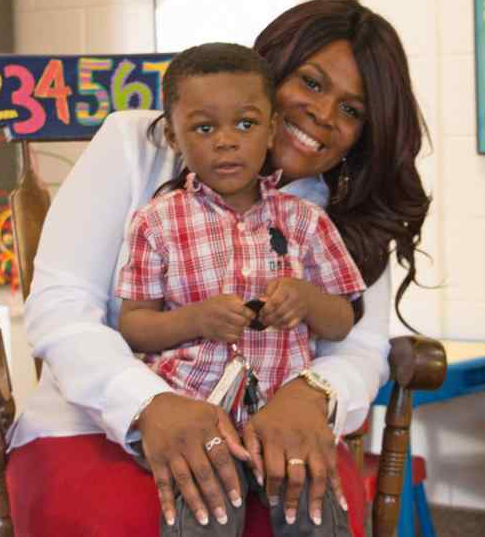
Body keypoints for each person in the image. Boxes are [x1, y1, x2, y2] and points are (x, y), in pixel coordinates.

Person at [6, 0, 431, 537]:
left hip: (275, 438)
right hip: (97, 423)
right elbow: (61, 308)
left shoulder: (339, 214)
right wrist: (147, 404)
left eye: (352, 111)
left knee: (319, 512)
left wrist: (312, 393)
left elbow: (359, 346)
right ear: (269, 71)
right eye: (312, 83)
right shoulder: (138, 146)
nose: (324, 116)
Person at [116, 41, 366, 535]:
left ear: (271, 129)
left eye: (246, 124)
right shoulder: (156, 222)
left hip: (282, 417)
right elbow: (134, 325)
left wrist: (306, 299)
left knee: (316, 510)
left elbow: (343, 319)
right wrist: (194, 319)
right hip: (197, 419)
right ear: (173, 135)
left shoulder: (305, 221)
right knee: (204, 514)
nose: (226, 142)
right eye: (204, 128)